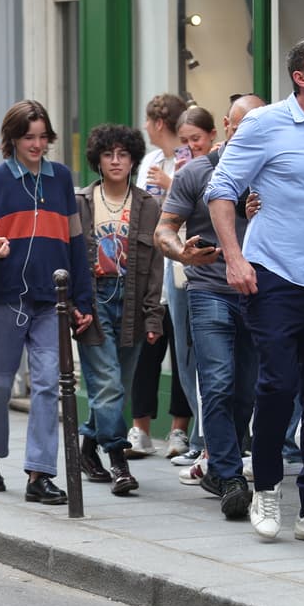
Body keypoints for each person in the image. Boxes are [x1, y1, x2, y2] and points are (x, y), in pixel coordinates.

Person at [205, 30, 304, 545]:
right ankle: (268, 486)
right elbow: (221, 190)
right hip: (272, 272)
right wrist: (234, 258)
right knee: (277, 384)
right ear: (301, 77)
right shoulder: (263, 124)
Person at [0, 100, 93, 506]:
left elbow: (76, 244)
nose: (37, 144)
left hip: (49, 302)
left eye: (42, 137)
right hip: (3, 297)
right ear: (13, 139)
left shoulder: (61, 181)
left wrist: (81, 299)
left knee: (47, 386)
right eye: (28, 137)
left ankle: (40, 474)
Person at [156, 94, 266, 519]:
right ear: (226, 124)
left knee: (247, 392)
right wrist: (181, 253)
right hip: (209, 291)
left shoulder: (271, 171)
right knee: (217, 384)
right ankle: (229, 475)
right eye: (242, 126)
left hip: (258, 293)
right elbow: (165, 229)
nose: (249, 134)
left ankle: (219, 467)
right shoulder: (197, 171)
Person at [73, 124, 163, 498]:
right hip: (93, 301)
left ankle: (87, 449)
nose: (115, 160)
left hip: (133, 304)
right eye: (108, 154)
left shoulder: (147, 205)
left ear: (132, 160)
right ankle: (118, 462)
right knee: (107, 384)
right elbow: (71, 258)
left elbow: (157, 265)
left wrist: (154, 315)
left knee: (116, 388)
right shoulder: (79, 202)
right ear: (97, 158)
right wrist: (73, 307)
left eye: (122, 154)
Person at [128, 92, 195, 459]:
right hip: (152, 268)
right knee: (148, 350)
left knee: (183, 350)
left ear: (157, 123)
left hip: (184, 267)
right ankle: (139, 428)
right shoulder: (151, 160)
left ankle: (179, 431)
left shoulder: (188, 163)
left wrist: (171, 184)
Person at [161, 105, 219, 472]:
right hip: (178, 266)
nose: (189, 148)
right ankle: (201, 439)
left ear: (213, 135)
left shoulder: (218, 166)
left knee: (213, 362)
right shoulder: (179, 169)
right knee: (184, 354)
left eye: (195, 140)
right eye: (182, 143)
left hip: (210, 271)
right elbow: (164, 225)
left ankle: (210, 444)